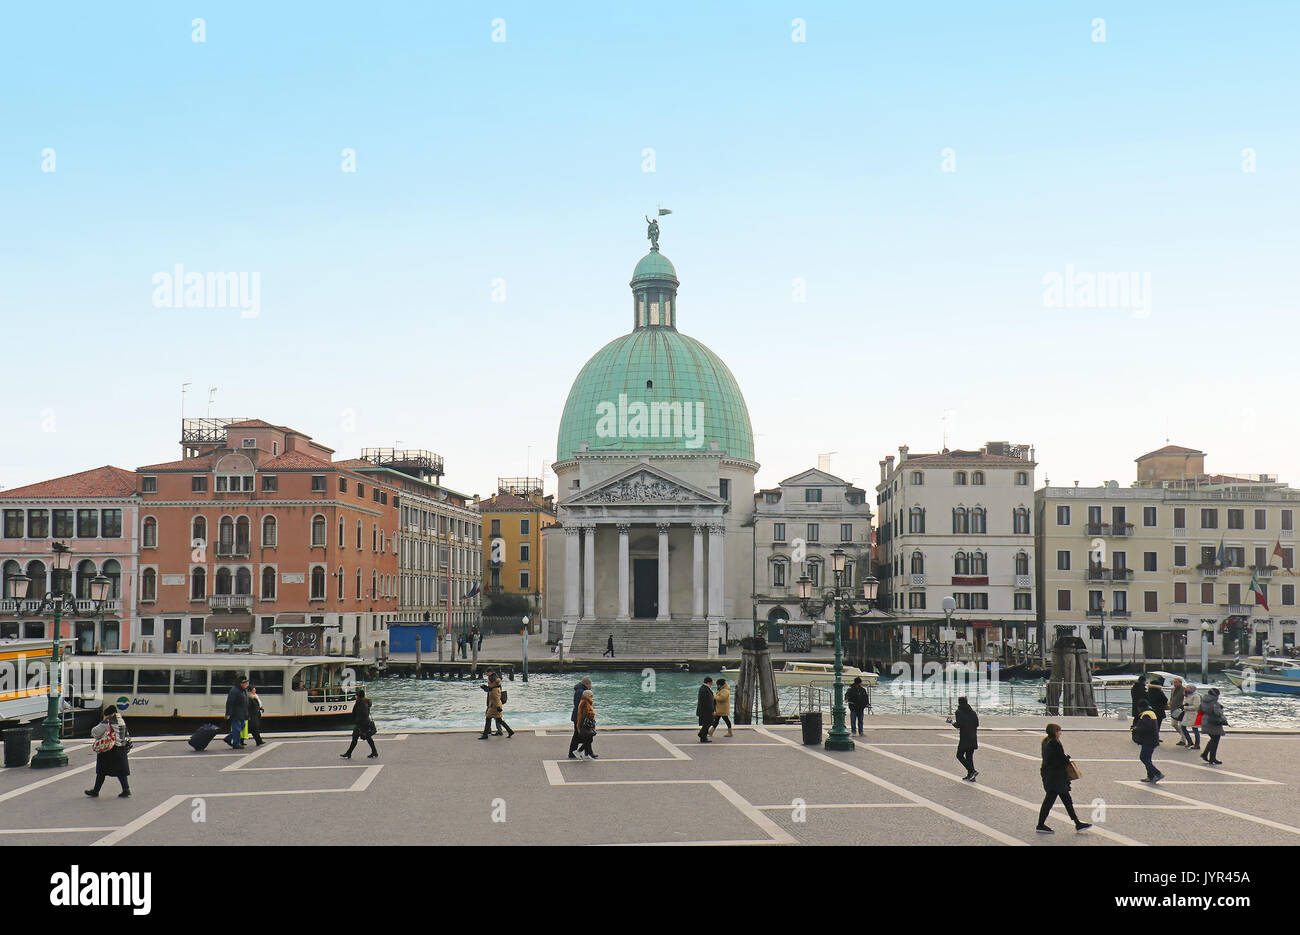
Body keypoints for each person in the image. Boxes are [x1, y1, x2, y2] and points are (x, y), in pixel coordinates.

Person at [1036, 723, 1091, 834]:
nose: (1060, 733)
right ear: (1055, 732)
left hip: (1051, 776)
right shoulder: (1054, 743)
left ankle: (1077, 823)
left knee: (1064, 800)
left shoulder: (1045, 741)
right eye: (1059, 731)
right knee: (1052, 802)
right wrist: (1067, 758)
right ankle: (1041, 824)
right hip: (1056, 778)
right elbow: (1061, 759)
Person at [85, 704, 131, 798]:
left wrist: (104, 720)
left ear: (108, 714)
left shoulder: (108, 722)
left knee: (101, 771)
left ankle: (95, 791)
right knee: (121, 772)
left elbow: (94, 732)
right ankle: (126, 789)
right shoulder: (121, 721)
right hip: (120, 749)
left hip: (110, 749)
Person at [341, 687, 378, 759]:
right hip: (365, 723)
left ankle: (349, 753)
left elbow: (359, 714)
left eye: (356, 695)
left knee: (357, 738)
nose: (355, 696)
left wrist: (356, 722)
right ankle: (374, 752)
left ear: (358, 696)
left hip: (361, 724)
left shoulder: (360, 703)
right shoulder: (365, 702)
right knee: (367, 738)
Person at [1133, 699, 1163, 782]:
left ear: (1140, 707)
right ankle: (1150, 776)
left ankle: (1157, 773)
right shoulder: (1151, 712)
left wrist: (1136, 729)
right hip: (1152, 739)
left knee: (1143, 758)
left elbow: (1147, 727)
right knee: (1147, 758)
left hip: (1149, 740)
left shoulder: (1146, 715)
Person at [479, 674, 514, 739]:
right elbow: (489, 690)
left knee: (489, 719)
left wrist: (498, 707)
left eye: (489, 682)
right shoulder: (494, 687)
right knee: (499, 720)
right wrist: (484, 687)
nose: (488, 683)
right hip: (494, 706)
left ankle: (485, 735)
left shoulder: (495, 689)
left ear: (492, 682)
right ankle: (510, 731)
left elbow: (497, 698)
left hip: (494, 707)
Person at [952, 696, 979, 781]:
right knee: (969, 757)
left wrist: (951, 722)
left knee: (959, 755)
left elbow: (959, 725)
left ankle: (972, 771)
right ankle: (971, 776)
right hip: (973, 737)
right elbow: (977, 724)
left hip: (964, 737)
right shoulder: (973, 712)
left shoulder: (959, 712)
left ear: (959, 702)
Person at [1199, 687, 1227, 765]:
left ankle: (1205, 754)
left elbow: (1199, 710)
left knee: (1213, 739)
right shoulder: (1215, 703)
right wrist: (1221, 709)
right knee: (1216, 739)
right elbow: (1218, 713)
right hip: (1213, 722)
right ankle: (1212, 758)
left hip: (1205, 721)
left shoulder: (1203, 701)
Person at [568, 676, 593, 758]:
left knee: (584, 735)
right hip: (580, 718)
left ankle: (587, 753)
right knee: (585, 736)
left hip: (579, 717)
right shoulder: (581, 692)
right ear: (587, 684)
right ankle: (576, 753)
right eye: (590, 684)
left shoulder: (582, 691)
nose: (591, 685)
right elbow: (580, 706)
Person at [224, 675, 249, 749]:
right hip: (236, 713)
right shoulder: (234, 690)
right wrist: (228, 713)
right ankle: (236, 744)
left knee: (242, 726)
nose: (246, 685)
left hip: (242, 713)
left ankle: (228, 738)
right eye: (245, 683)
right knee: (237, 728)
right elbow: (230, 702)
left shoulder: (243, 690)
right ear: (241, 683)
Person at [1182, 683, 1202, 750]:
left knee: (1195, 729)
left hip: (1195, 714)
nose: (1186, 689)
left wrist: (1185, 707)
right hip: (1187, 714)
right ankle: (1190, 741)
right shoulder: (1187, 695)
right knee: (1183, 726)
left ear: (1191, 689)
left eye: (1188, 688)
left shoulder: (1196, 696)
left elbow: (1196, 707)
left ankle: (1197, 744)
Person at [1168, 677, 1187, 745]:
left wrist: (1184, 705)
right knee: (1174, 724)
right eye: (1174, 682)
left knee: (1181, 725)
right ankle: (1184, 737)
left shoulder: (1184, 690)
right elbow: (1171, 698)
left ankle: (1183, 740)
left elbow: (1187, 698)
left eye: (1176, 682)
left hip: (1180, 710)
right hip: (1173, 709)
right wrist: (1169, 704)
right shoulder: (1172, 689)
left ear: (1180, 682)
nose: (1174, 684)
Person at [696, 677, 716, 743]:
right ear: (709, 682)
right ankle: (703, 736)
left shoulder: (703, 688)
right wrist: (712, 710)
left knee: (707, 723)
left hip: (704, 710)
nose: (712, 684)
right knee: (708, 723)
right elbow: (708, 702)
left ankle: (702, 735)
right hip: (706, 711)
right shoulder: (705, 689)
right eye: (711, 682)